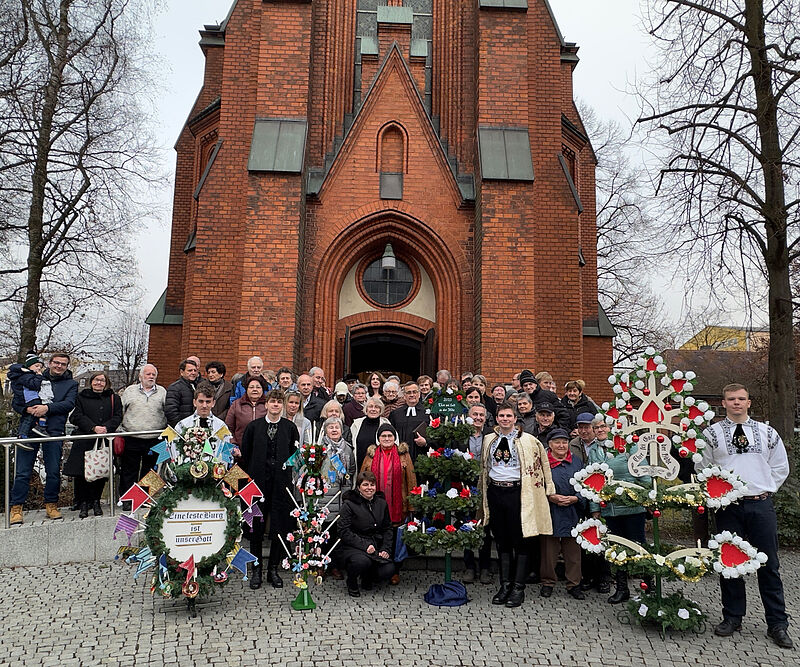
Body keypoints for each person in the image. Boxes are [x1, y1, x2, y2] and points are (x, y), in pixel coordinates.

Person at [702, 383, 793, 649]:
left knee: (770, 565)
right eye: (731, 399)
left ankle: (777, 623)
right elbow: (703, 466)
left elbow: (780, 466)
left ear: (749, 402)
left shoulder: (767, 433)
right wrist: (719, 495)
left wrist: (764, 487)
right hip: (728, 507)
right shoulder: (712, 434)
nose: (737, 403)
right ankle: (732, 617)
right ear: (724, 402)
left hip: (760, 505)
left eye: (741, 398)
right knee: (729, 564)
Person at [479, 403, 554, 608]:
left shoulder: (529, 441)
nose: (504, 419)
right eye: (501, 415)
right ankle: (505, 585)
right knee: (502, 540)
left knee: (520, 539)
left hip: (518, 493)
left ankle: (518, 587)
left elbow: (543, 465)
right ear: (496, 418)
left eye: (508, 416)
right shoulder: (489, 439)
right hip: (496, 491)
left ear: (515, 418)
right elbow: (484, 467)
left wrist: (549, 489)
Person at [239, 389, 300, 590]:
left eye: (278, 402)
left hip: (281, 486)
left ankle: (273, 569)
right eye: (272, 402)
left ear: (282, 406)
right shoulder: (253, 427)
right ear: (266, 404)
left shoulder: (290, 428)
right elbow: (245, 456)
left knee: (279, 528)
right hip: (257, 485)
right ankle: (257, 569)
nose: (275, 405)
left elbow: (294, 458)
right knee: (255, 527)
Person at [9, 353, 78, 525]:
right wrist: (29, 410)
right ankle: (16, 507)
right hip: (30, 430)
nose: (59, 366)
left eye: (63, 364)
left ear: (67, 366)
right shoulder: (32, 377)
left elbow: (69, 404)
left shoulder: (71, 384)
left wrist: (46, 408)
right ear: (49, 363)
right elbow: (17, 402)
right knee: (22, 471)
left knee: (53, 471)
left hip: (54, 432)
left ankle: (51, 504)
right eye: (56, 363)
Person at [587, 425, 651, 604]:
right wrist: (595, 509)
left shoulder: (629, 447)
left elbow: (644, 475)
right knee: (616, 549)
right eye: (596, 426)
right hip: (609, 509)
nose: (599, 429)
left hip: (632, 508)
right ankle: (622, 589)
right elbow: (592, 481)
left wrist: (647, 500)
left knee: (639, 547)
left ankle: (649, 586)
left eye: (603, 426)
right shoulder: (594, 451)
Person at [360, 424, 417, 585]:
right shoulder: (370, 456)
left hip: (398, 505)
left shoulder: (403, 455)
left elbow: (411, 480)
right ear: (378, 438)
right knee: (376, 536)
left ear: (395, 438)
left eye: (389, 436)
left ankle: (394, 570)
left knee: (394, 539)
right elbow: (362, 478)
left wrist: (412, 505)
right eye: (383, 436)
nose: (386, 439)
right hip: (374, 505)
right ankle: (375, 569)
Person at [64, 371, 122, 518]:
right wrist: (93, 427)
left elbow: (118, 416)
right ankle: (83, 502)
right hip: (85, 439)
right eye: (96, 380)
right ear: (91, 382)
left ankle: (96, 501)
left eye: (102, 380)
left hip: (103, 440)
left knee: (100, 472)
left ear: (106, 383)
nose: (99, 383)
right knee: (82, 474)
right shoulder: (81, 397)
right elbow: (76, 416)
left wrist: (106, 428)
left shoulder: (114, 398)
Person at [540, 429, 585, 599]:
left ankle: (574, 584)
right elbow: (537, 484)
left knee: (573, 551)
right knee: (548, 551)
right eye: (557, 442)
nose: (561, 445)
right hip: (550, 510)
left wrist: (576, 498)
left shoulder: (577, 462)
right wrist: (550, 496)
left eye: (564, 442)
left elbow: (586, 485)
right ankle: (547, 582)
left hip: (573, 509)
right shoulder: (543, 462)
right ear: (550, 445)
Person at [338, 471, 396, 596]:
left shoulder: (381, 503)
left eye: (372, 485)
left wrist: (386, 548)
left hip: (376, 544)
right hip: (354, 546)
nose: (369, 488)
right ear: (358, 487)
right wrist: (364, 545)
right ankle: (352, 581)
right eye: (365, 485)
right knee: (361, 562)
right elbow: (344, 531)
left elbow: (387, 528)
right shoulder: (349, 504)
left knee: (389, 569)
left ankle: (367, 578)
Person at [117, 364, 167, 505]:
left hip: (155, 438)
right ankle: (127, 499)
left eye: (153, 374)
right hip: (132, 437)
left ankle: (143, 499)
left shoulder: (162, 392)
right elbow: (121, 410)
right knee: (129, 470)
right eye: (148, 374)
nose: (151, 377)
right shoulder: (129, 391)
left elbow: (167, 412)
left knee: (150, 471)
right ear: (140, 376)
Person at [319, 416, 356, 578]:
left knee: (337, 535)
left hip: (340, 497)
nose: (334, 430)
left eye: (337, 427)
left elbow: (352, 471)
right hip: (324, 497)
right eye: (330, 427)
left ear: (342, 430)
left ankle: (335, 565)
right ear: (325, 430)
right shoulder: (318, 448)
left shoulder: (348, 449)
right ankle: (320, 564)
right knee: (322, 534)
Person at [465, 403, 494, 584]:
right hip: (465, 486)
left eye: (481, 415)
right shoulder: (460, 435)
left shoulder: (491, 435)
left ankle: (485, 568)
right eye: (474, 414)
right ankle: (469, 566)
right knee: (466, 525)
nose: (478, 417)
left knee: (484, 527)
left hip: (486, 485)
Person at [8, 351, 52, 438]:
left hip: (31, 398)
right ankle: (24, 433)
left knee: (39, 414)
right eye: (36, 366)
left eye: (40, 367)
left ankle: (39, 427)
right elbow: (34, 385)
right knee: (29, 417)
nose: (39, 368)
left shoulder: (29, 375)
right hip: (29, 399)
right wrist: (39, 377)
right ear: (29, 366)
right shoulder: (26, 375)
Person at [389, 381, 427, 460]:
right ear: (404, 396)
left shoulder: (427, 413)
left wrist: (426, 442)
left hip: (423, 457)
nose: (412, 395)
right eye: (408, 392)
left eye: (414, 392)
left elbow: (435, 436)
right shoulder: (395, 414)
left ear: (419, 394)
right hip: (400, 457)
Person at [225, 376, 268, 445]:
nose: (255, 389)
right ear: (246, 389)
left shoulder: (268, 405)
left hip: (263, 448)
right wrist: (234, 444)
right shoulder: (236, 404)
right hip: (241, 449)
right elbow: (228, 428)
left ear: (262, 389)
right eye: (251, 387)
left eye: (258, 387)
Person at [350, 396, 389, 471]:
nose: (373, 409)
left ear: (380, 410)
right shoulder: (356, 424)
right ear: (366, 409)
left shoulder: (386, 424)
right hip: (359, 464)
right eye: (370, 406)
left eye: (376, 407)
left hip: (380, 467)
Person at [164, 359, 198, 426]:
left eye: (195, 370)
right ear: (182, 372)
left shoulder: (198, 386)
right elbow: (171, 411)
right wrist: (182, 427)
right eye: (190, 370)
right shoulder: (174, 388)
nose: (193, 373)